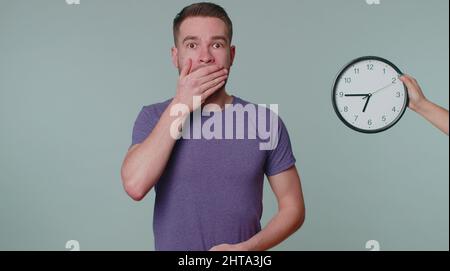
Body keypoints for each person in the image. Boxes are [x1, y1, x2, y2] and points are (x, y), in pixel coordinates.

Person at [120, 2, 305, 251]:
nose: (205, 56)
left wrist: (245, 250)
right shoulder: (153, 117)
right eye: (192, 45)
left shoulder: (263, 122)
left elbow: (293, 208)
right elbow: (135, 185)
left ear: (232, 54)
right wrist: (182, 104)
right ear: (176, 56)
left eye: (217, 44)